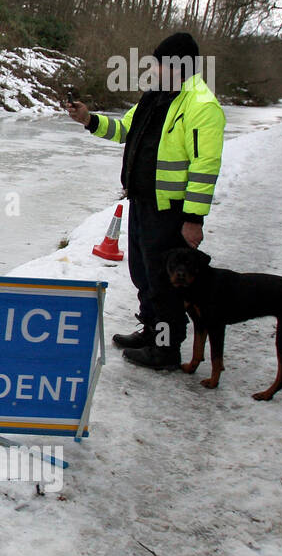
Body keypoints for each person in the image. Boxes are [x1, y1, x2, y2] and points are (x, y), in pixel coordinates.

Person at [66, 32, 225, 370]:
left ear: (178, 64)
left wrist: (193, 218)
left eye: (159, 61)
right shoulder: (155, 97)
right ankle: (153, 332)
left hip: (171, 212)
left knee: (165, 285)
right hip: (142, 203)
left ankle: (166, 350)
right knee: (144, 276)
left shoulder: (201, 105)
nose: (152, 67)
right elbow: (125, 128)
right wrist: (89, 120)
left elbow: (205, 166)